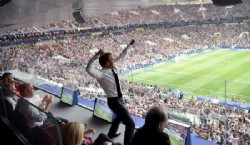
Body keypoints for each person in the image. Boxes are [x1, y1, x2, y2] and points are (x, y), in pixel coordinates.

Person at [86, 39, 135, 145]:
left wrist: (129, 45)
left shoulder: (114, 67)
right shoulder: (101, 74)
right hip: (114, 102)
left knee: (118, 117)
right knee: (131, 124)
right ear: (107, 63)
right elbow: (89, 69)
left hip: (119, 100)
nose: (115, 60)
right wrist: (96, 56)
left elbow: (122, 56)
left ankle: (111, 134)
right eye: (112, 59)